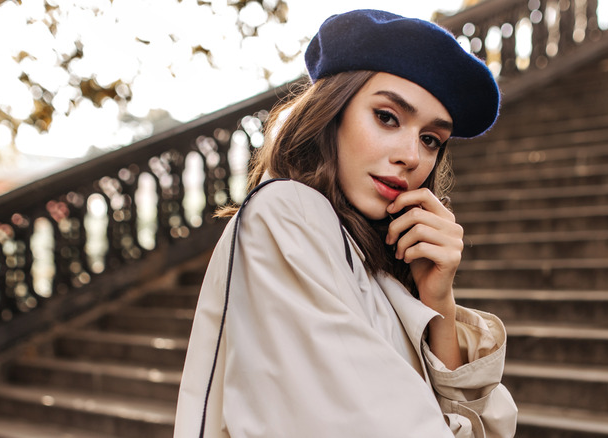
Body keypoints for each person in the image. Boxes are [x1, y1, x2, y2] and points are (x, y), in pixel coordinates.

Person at [174, 9, 517, 438]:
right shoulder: (286, 213)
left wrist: (438, 302)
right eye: (387, 117)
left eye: (430, 139)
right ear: (332, 111)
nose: (411, 156)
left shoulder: (366, 252)